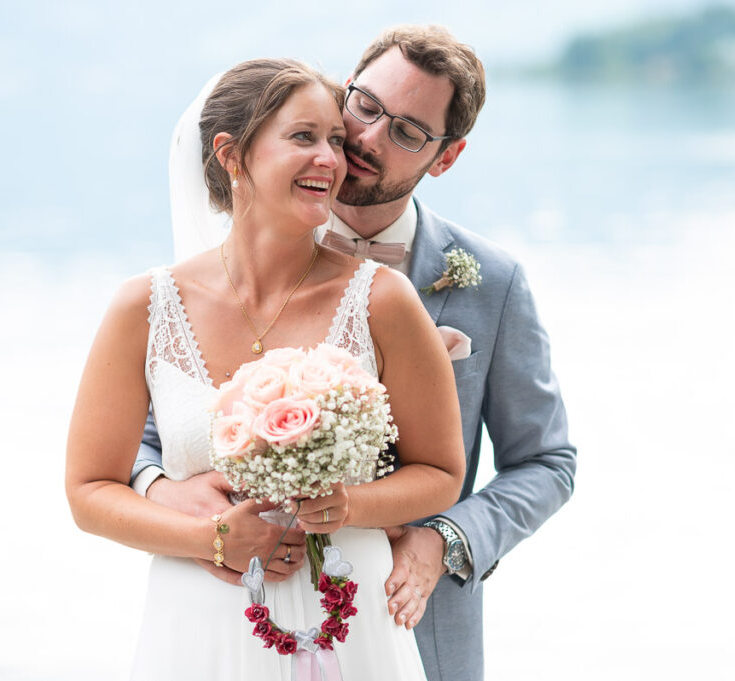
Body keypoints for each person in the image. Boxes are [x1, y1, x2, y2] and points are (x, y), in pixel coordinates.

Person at [132, 26, 577, 681]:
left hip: (408, 623)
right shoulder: (225, 261)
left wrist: (443, 539)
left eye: (406, 131)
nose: (367, 139)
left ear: (446, 157)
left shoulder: (490, 282)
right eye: (364, 106)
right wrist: (169, 494)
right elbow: (158, 429)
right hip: (240, 613)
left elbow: (547, 461)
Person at [65, 57, 467, 680]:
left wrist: (348, 505)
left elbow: (441, 472)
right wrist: (210, 540)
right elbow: (89, 493)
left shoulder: (383, 300)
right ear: (231, 155)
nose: (333, 159)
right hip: (199, 627)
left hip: (352, 622)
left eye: (335, 139)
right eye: (304, 137)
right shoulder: (144, 307)